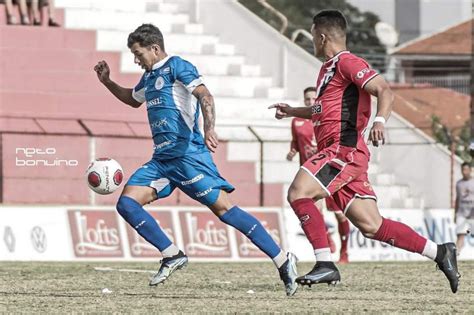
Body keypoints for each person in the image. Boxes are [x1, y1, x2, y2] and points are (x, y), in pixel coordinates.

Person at [94, 24, 298, 296]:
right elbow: (132, 100)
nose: (135, 60)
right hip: (162, 160)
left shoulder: (177, 66)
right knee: (127, 203)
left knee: (225, 211)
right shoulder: (148, 77)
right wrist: (108, 82)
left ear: (155, 49)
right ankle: (171, 253)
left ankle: (282, 259)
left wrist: (209, 128)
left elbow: (205, 95)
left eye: (138, 53)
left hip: (189, 156)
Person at [269, 10, 460, 293]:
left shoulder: (347, 62)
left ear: (321, 37)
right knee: (371, 225)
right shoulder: (328, 69)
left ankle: (325, 262)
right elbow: (325, 111)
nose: (312, 42)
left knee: (298, 192)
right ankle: (440, 251)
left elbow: (384, 90)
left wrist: (379, 120)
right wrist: (293, 112)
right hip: (341, 153)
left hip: (342, 150)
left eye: (312, 37)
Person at [287, 86, 350, 263]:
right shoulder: (297, 121)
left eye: (313, 99)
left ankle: (345, 252)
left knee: (340, 214)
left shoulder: (326, 118)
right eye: (307, 99)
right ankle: (327, 241)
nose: (310, 102)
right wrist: (292, 151)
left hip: (330, 171)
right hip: (312, 176)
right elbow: (295, 142)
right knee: (314, 210)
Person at [455, 162, 474, 254]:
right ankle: (456, 254)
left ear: (470, 170)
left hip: (472, 215)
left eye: (466, 169)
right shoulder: (459, 183)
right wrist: (455, 213)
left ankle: (469, 231)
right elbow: (457, 198)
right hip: (461, 214)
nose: (464, 172)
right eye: (463, 170)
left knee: (469, 232)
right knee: (460, 234)